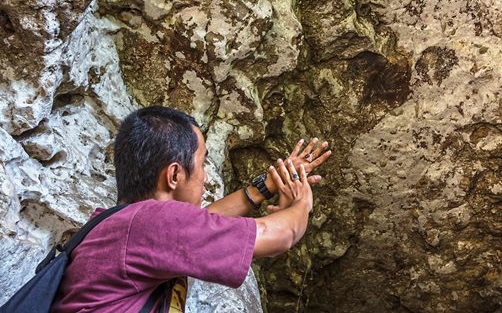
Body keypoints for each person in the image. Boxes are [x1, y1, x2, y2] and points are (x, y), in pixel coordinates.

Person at [50, 106, 331, 313]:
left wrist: (265, 186)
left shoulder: (120, 223)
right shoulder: (154, 223)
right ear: (174, 175)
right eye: (202, 163)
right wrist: (302, 200)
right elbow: (281, 235)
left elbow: (207, 223)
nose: (205, 176)